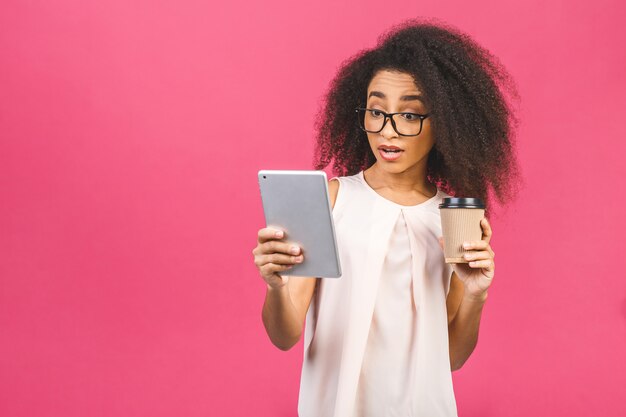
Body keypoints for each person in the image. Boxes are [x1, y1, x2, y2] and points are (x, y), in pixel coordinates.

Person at [252, 18, 522, 417]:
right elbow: (284, 334)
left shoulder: (453, 215)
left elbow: (451, 358)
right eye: (376, 111)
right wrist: (275, 286)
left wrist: (476, 294)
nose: (387, 131)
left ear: (443, 125)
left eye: (410, 115)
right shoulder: (331, 200)